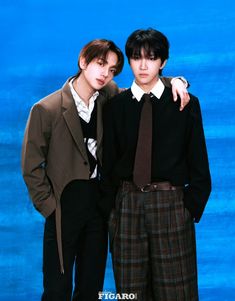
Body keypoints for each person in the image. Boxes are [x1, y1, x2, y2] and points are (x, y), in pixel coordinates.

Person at [21, 38, 190, 301]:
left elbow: (145, 86)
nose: (105, 74)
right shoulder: (47, 108)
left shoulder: (108, 97)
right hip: (64, 206)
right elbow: (31, 166)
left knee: (91, 288)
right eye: (101, 64)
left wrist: (177, 80)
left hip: (98, 207)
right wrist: (50, 207)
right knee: (57, 289)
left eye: (111, 70)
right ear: (82, 62)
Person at [101, 29, 211, 301]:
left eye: (151, 58)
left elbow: (199, 161)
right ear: (128, 61)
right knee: (130, 293)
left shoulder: (185, 103)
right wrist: (113, 214)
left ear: (163, 62)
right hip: (128, 206)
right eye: (136, 58)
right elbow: (109, 164)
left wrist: (188, 208)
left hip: (171, 205)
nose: (143, 65)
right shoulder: (116, 106)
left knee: (178, 293)